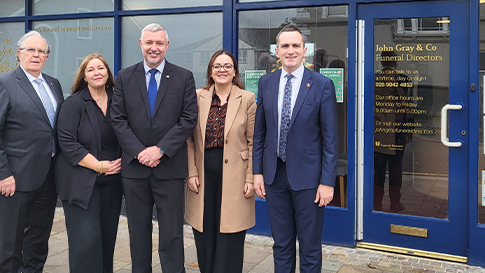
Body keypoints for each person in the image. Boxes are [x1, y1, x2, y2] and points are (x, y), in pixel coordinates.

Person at [111, 23, 198, 273]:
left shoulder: (183, 76)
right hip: (134, 170)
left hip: (169, 168)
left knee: (172, 234)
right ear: (140, 44)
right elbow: (118, 119)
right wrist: (140, 152)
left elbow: (188, 118)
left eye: (159, 43)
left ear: (167, 45)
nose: (154, 48)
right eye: (149, 42)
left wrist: (159, 149)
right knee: (138, 233)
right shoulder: (125, 77)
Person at [252, 24, 338, 273]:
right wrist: (257, 172)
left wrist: (327, 182)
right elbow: (260, 133)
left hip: (310, 180)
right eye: (285, 46)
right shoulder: (266, 83)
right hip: (274, 177)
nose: (290, 51)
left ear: (304, 51)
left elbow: (330, 139)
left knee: (310, 248)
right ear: (277, 51)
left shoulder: (321, 84)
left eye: (296, 46)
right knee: (281, 245)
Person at [0, 30, 64, 273]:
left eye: (41, 51)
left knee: (38, 241)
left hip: (47, 178)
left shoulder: (53, 85)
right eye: (31, 50)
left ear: (47, 57)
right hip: (14, 180)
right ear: (19, 54)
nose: (36, 55)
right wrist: (3, 174)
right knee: (11, 245)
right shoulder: (4, 84)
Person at [185, 50, 257, 273]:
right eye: (217, 66)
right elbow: (187, 139)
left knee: (230, 230)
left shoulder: (247, 99)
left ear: (235, 71)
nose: (222, 70)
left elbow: (254, 141)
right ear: (210, 71)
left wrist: (251, 178)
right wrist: (192, 172)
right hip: (204, 173)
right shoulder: (197, 97)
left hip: (236, 173)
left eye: (227, 66)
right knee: (205, 228)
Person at [55, 53, 122, 273]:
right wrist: (97, 165)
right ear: (84, 76)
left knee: (106, 239)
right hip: (80, 182)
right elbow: (67, 142)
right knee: (86, 241)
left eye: (101, 68)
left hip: (112, 182)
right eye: (91, 69)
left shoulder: (118, 100)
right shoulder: (73, 104)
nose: (96, 73)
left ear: (108, 73)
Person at [373, 50, 410, 213]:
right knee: (394, 169)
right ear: (395, 62)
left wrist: (381, 117)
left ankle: (378, 204)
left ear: (381, 62)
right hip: (395, 131)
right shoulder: (403, 80)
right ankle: (394, 203)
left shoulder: (373, 79)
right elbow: (408, 107)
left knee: (379, 171)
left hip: (384, 131)